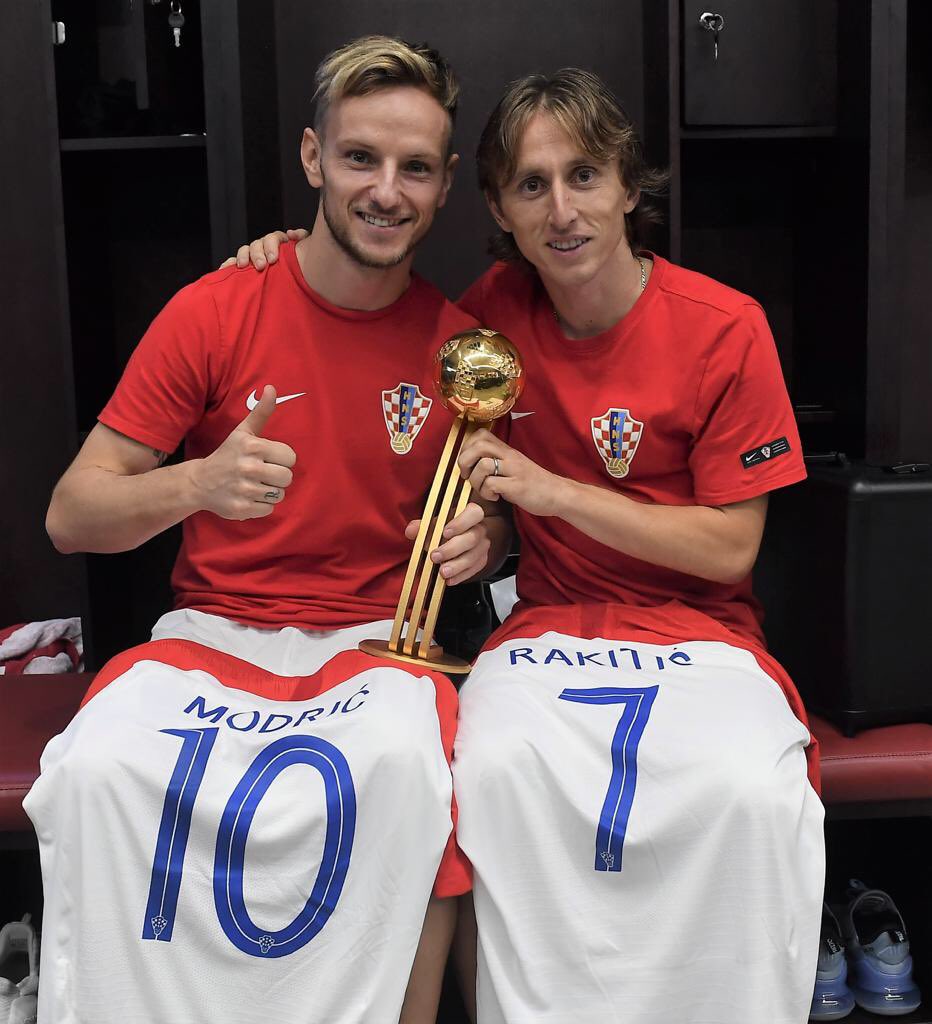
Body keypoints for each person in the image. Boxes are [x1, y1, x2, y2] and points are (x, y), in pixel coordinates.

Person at [235, 66, 825, 1024]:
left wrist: (552, 493)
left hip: (702, 631)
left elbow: (729, 550)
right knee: (482, 777)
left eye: (584, 176)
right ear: (499, 209)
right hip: (550, 626)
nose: (562, 211)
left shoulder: (726, 327)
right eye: (531, 185)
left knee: (747, 795)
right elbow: (367, 311)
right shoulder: (492, 317)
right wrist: (277, 257)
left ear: (628, 185)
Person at [30, 36, 509, 1024]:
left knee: (412, 775)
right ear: (311, 157)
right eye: (360, 157)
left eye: (415, 167)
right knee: (95, 770)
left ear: (446, 183)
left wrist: (486, 541)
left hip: (373, 643)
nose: (386, 191)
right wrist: (197, 482)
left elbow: (488, 516)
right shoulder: (214, 310)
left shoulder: (460, 349)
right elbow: (72, 516)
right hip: (213, 632)